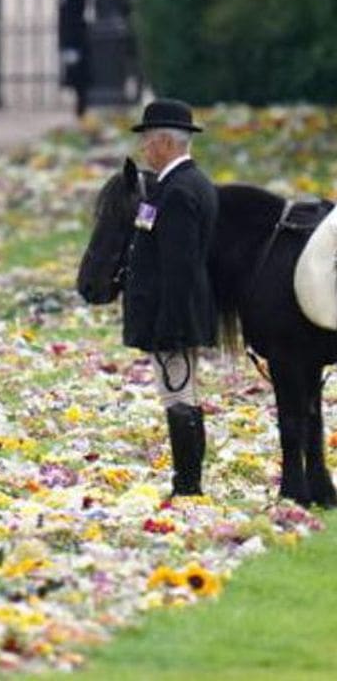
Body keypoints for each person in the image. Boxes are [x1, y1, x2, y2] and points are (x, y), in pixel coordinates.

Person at [123, 99, 218, 496]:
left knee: (177, 396)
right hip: (180, 312)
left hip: (173, 316)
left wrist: (169, 326)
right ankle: (189, 480)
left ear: (164, 142)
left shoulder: (177, 192)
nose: (144, 149)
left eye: (147, 140)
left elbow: (179, 267)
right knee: (185, 394)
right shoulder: (191, 183)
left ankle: (188, 484)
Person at [57, 0, 90, 119]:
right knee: (77, 81)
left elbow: (71, 20)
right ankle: (80, 111)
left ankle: (81, 112)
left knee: (78, 81)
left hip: (75, 41)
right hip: (73, 40)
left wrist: (68, 43)